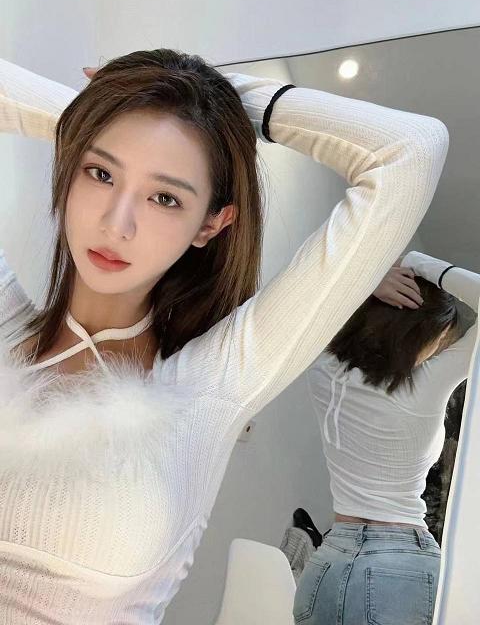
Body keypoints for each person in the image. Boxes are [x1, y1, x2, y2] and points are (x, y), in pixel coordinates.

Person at [0, 49, 448, 623]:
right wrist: (100, 110)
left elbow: (411, 151)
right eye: (101, 172)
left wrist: (223, 100)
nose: (117, 222)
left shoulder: (211, 385)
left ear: (211, 223)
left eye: (165, 197)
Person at [295, 251, 479, 625]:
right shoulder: (424, 387)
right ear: (423, 334)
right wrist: (417, 260)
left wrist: (368, 279)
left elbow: (303, 289)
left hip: (328, 565)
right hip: (402, 566)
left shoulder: (322, 369)